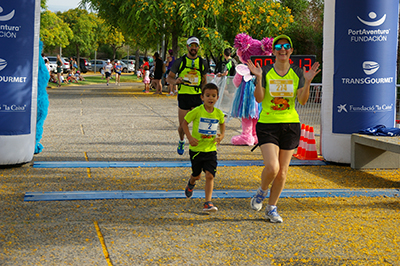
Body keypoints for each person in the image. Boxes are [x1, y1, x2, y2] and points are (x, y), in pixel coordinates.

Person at [247, 34, 321, 223]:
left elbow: (303, 101)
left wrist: (308, 81)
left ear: (291, 51)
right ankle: (261, 192)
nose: (282, 49)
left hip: (290, 124)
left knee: (283, 171)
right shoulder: (264, 71)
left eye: (286, 46)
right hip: (268, 123)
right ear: (273, 51)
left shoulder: (297, 72)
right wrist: (258, 78)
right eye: (278, 46)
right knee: (272, 167)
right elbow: (259, 99)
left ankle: (271, 208)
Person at [181, 83, 225, 212]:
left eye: (213, 96)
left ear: (217, 98)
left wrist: (222, 136)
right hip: (196, 150)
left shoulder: (218, 113)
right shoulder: (197, 111)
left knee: (210, 175)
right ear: (202, 97)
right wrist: (189, 138)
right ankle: (191, 182)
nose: (210, 98)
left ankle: (208, 202)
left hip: (210, 150)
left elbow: (222, 124)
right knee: (197, 175)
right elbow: (184, 123)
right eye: (207, 96)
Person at [166, 36, 209, 155]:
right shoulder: (180, 61)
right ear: (187, 47)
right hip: (184, 96)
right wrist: (176, 81)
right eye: (191, 45)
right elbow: (169, 78)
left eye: (195, 46)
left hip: (197, 96)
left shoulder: (202, 62)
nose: (193, 48)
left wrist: (204, 95)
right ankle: (181, 140)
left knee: (199, 124)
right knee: (182, 126)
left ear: (198, 47)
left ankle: (197, 145)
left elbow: (204, 80)